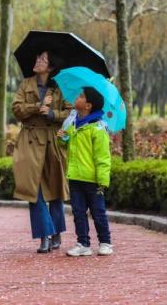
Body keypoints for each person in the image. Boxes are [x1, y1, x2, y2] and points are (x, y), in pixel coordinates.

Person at [12, 50, 71, 253]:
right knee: (32, 190)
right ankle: (44, 235)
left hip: (53, 141)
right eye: (37, 58)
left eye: (43, 59)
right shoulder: (26, 84)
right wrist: (38, 107)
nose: (37, 61)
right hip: (29, 140)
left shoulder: (60, 87)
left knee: (55, 189)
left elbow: (70, 113)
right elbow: (17, 109)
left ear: (51, 67)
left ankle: (56, 234)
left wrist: (53, 114)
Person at [57, 85, 113, 257]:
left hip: (93, 180)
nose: (77, 98)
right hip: (75, 177)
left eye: (81, 96)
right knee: (78, 212)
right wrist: (63, 138)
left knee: (98, 212)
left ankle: (105, 242)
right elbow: (67, 146)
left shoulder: (97, 128)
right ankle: (83, 243)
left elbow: (103, 158)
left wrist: (102, 181)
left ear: (88, 105)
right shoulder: (74, 125)